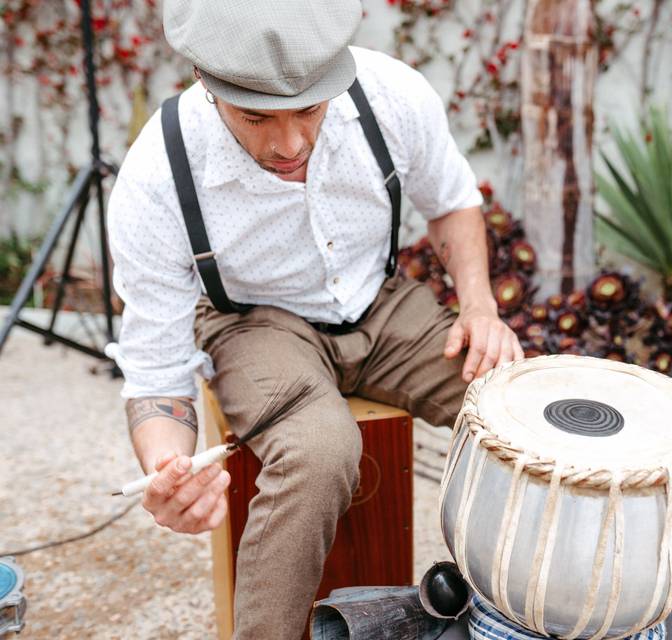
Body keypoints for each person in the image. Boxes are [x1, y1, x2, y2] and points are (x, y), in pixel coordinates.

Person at [107, 1, 522, 637]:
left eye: (309, 108)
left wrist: (479, 306)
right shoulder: (157, 174)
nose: (291, 143)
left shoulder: (393, 94)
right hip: (253, 322)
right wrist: (170, 470)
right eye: (256, 117)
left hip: (380, 301)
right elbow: (156, 370)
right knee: (321, 451)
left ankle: (525, 620)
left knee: (522, 405)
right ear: (202, 79)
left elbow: (453, 202)